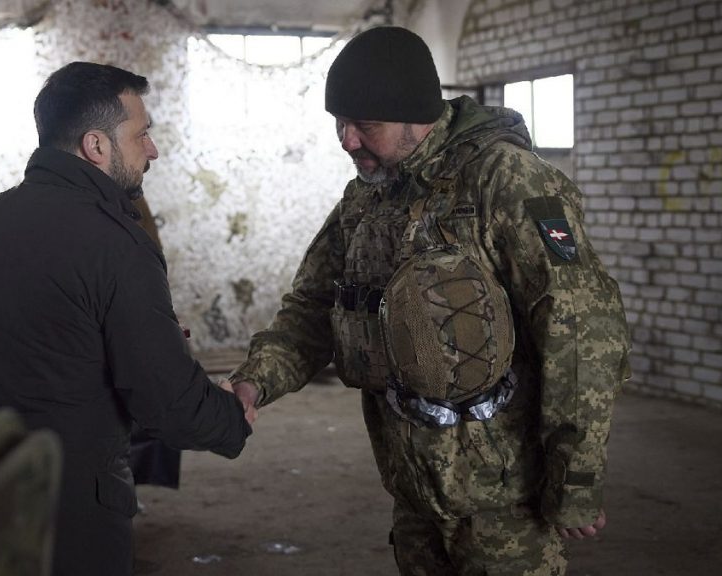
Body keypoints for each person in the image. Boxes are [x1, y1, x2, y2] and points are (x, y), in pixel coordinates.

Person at [229, 27, 630, 575]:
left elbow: (581, 329)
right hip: (414, 492)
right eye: (339, 123)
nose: (347, 140)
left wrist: (575, 477)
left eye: (364, 125)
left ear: (416, 116)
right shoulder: (365, 198)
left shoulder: (502, 180)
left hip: (504, 501)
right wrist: (255, 380)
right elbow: (314, 307)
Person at [0, 61, 253, 576]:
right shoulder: (118, 246)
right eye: (142, 134)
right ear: (96, 145)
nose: (152, 149)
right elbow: (164, 400)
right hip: (71, 511)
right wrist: (231, 418)